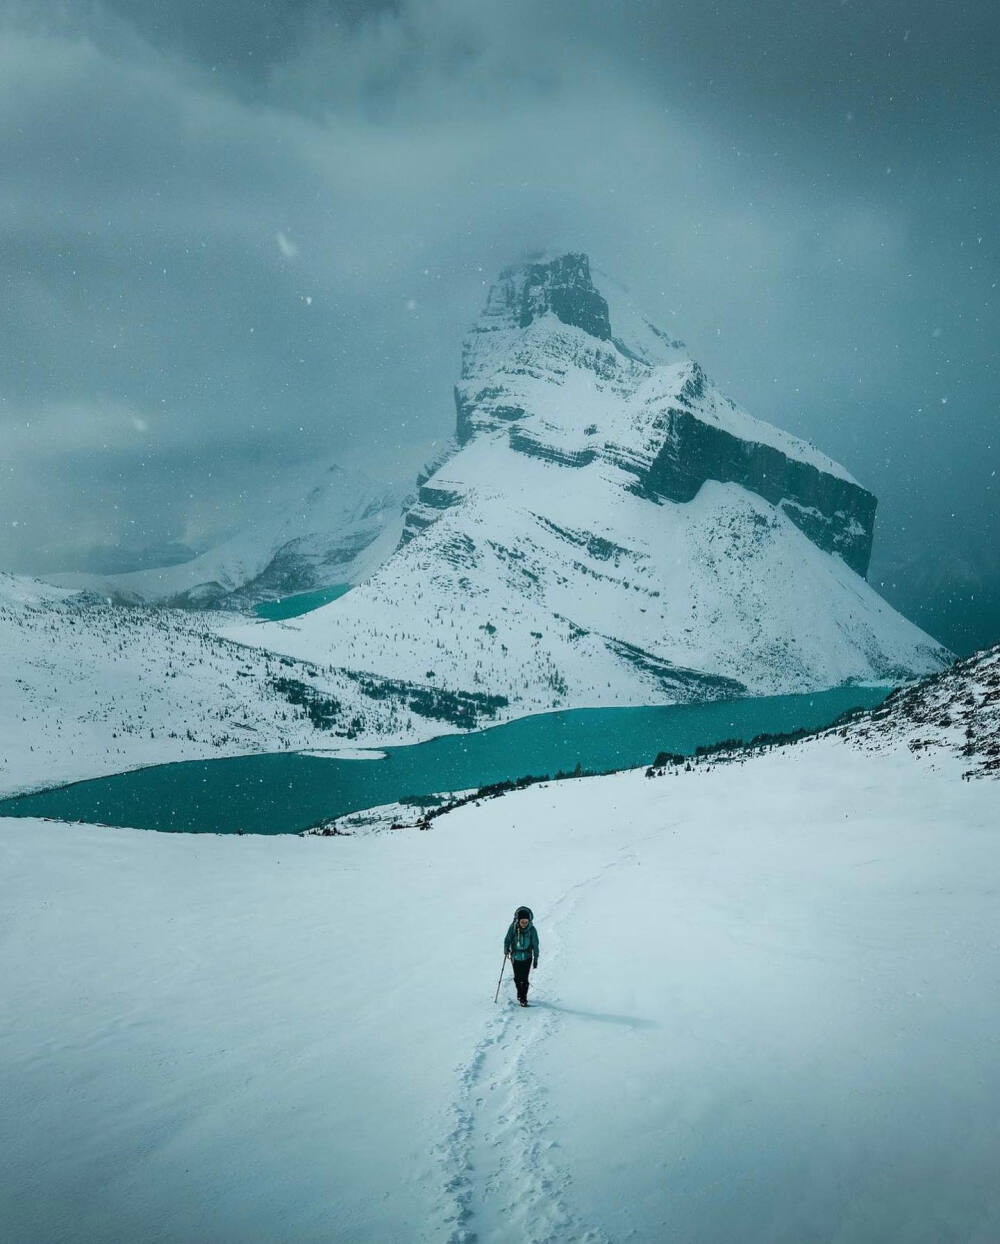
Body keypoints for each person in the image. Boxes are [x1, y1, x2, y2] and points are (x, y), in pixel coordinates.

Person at [504, 906, 539, 1007]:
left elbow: (535, 945)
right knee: (517, 978)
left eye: (526, 921)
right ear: (518, 920)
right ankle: (520, 993)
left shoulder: (532, 930)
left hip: (527, 957)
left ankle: (523, 998)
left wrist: (535, 959)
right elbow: (507, 940)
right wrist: (506, 949)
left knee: (524, 978)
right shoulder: (513, 928)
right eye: (522, 921)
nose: (524, 924)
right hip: (515, 957)